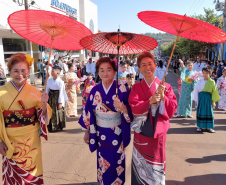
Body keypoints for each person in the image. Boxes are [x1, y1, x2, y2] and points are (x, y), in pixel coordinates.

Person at [78, 57, 133, 185]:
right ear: (98, 72)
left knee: (117, 161)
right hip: (101, 134)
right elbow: (88, 112)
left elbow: (131, 111)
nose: (105, 73)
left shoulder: (122, 89)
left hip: (117, 134)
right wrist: (86, 132)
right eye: (101, 70)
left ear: (115, 72)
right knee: (103, 161)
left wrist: (123, 108)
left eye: (109, 69)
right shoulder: (95, 90)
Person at [0, 53, 52, 184]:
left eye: (23, 70)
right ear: (9, 72)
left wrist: (44, 104)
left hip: (31, 140)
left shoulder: (35, 92)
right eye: (15, 71)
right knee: (13, 176)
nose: (20, 74)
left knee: (32, 172)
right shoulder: (1, 92)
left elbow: (42, 115)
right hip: (8, 139)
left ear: (29, 71)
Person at [128, 52, 177, 185]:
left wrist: (163, 97)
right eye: (143, 64)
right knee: (140, 161)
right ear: (139, 68)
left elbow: (172, 109)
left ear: (155, 66)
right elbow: (133, 107)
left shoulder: (165, 87)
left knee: (156, 159)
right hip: (142, 130)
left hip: (158, 132)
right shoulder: (136, 87)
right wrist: (148, 102)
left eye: (150, 64)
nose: (147, 67)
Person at [193, 66, 220, 133]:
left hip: (208, 98)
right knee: (200, 111)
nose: (205, 74)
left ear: (210, 73)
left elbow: (214, 92)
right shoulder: (199, 81)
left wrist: (213, 101)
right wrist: (196, 100)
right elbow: (196, 90)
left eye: (206, 73)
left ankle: (209, 127)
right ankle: (200, 126)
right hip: (201, 98)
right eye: (203, 73)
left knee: (209, 111)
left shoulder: (212, 82)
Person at [46, 66, 68, 131]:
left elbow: (61, 93)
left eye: (53, 71)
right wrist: (45, 98)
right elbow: (47, 90)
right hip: (50, 98)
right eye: (51, 71)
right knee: (50, 112)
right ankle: (49, 126)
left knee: (57, 112)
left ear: (57, 73)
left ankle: (57, 126)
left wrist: (60, 103)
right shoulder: (49, 80)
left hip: (57, 97)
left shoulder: (61, 82)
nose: (51, 72)